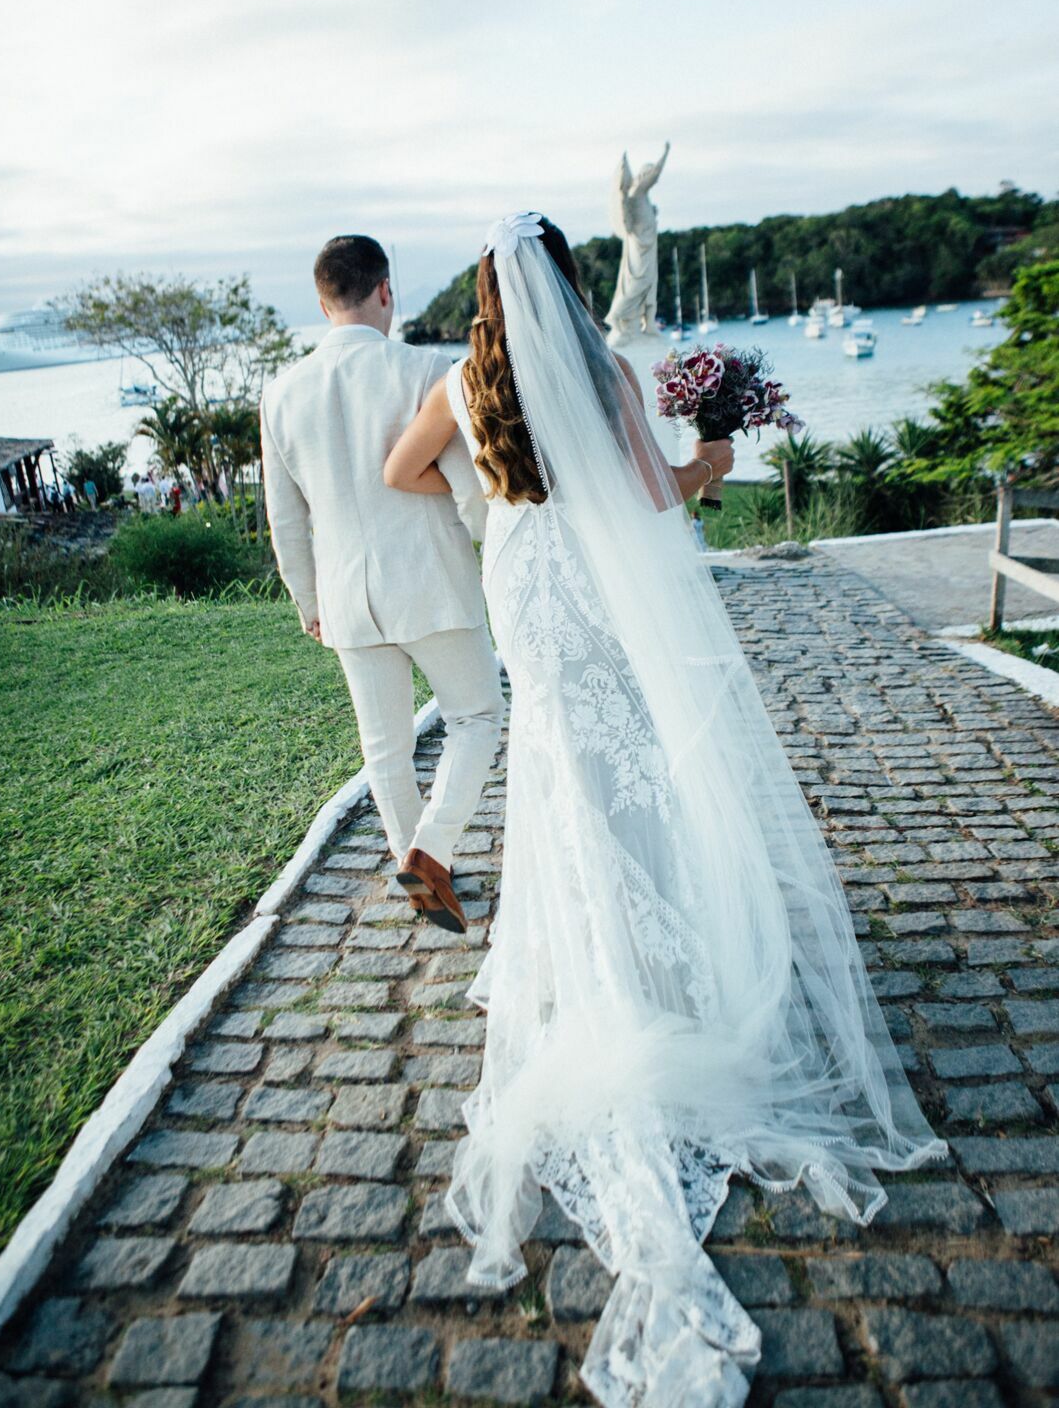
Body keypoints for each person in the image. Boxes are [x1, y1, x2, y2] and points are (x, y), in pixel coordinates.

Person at [385, 213, 947, 1405]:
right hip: (588, 587)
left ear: (485, 291)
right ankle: (645, 953)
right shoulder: (603, 370)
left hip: (518, 587)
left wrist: (485, 491)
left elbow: (404, 469)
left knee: (554, 769)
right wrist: (709, 461)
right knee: (623, 763)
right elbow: (652, 498)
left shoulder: (457, 378)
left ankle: (577, 941)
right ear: (569, 284)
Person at [261, 233, 504, 919]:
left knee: (385, 749)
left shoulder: (279, 392)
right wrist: (494, 546)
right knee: (478, 715)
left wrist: (309, 601)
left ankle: (421, 872)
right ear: (385, 290)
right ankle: (431, 853)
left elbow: (286, 518)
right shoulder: (428, 368)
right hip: (430, 580)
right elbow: (467, 485)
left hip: (344, 595)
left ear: (320, 300)